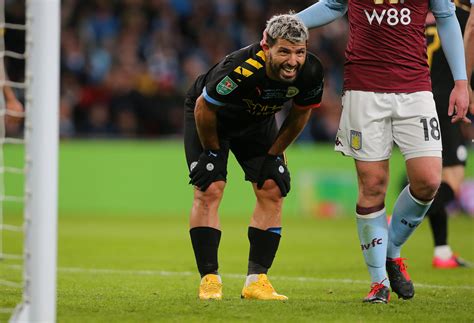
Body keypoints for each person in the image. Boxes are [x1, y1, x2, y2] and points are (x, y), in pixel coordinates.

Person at [297, 0, 470, 303]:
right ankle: (379, 282)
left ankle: (391, 252)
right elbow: (333, 5)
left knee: (428, 181)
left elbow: (445, 16)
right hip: (364, 87)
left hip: (415, 86)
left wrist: (461, 82)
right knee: (373, 184)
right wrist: (287, 25)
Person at [184, 13, 324, 301]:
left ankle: (256, 281)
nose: (293, 61)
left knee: (273, 186)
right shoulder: (241, 69)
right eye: (284, 51)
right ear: (266, 47)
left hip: (258, 124)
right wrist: (211, 152)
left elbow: (301, 113)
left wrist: (275, 155)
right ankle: (209, 280)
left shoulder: (310, 71)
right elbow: (203, 108)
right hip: (213, 120)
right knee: (210, 188)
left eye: (300, 52)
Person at [423, 0, 473, 269]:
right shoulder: (463, 15)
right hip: (447, 100)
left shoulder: (424, 13)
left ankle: (442, 250)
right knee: (451, 182)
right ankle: (399, 217)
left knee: (435, 180)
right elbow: (468, 51)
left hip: (418, 97)